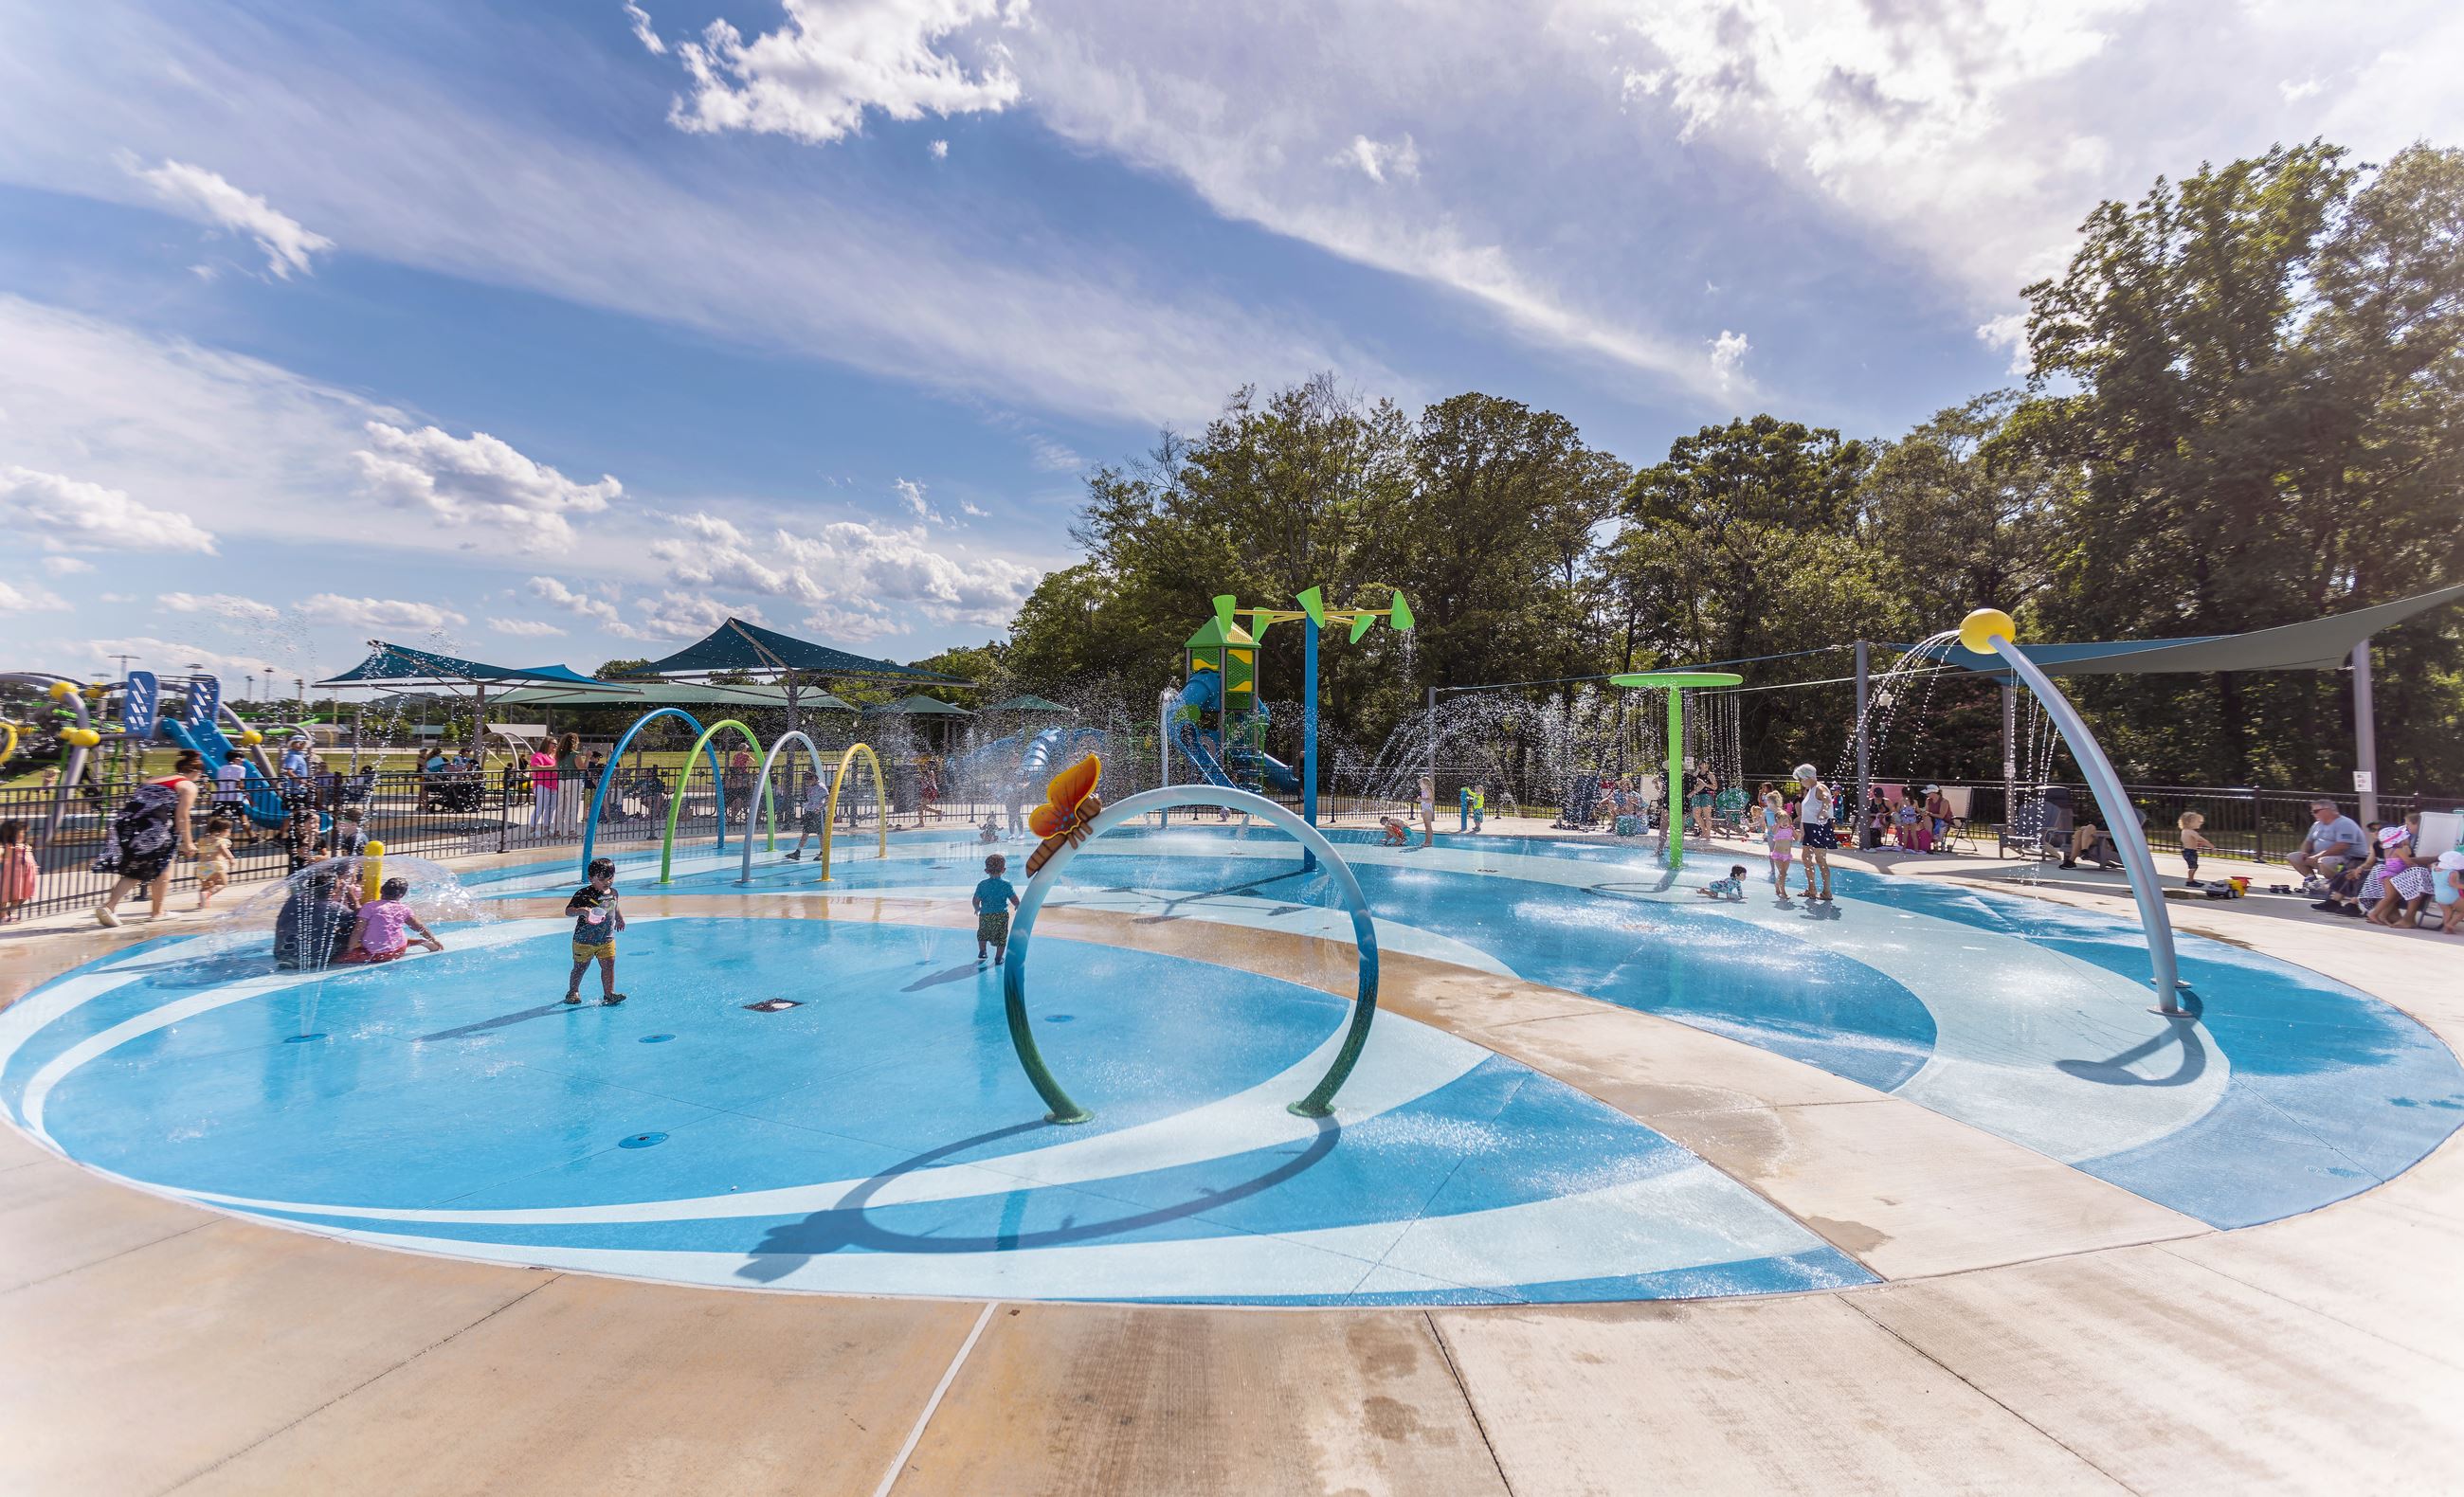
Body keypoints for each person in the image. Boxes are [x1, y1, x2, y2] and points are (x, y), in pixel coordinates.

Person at [94, 748, 204, 927]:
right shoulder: (188, 786)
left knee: (138, 869)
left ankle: (114, 907)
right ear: (196, 772)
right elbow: (182, 816)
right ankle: (150, 911)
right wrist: (189, 842)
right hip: (154, 829)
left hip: (127, 824)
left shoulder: (153, 780)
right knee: (160, 867)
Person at [561, 857, 626, 1002]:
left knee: (609, 966)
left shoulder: (613, 893)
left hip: (606, 939)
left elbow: (615, 906)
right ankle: (573, 992)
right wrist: (581, 910)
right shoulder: (583, 894)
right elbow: (568, 911)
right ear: (591, 878)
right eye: (602, 879)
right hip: (584, 940)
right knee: (580, 967)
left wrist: (620, 918)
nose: (607, 882)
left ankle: (609, 994)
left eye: (611, 878)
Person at [338, 876, 444, 965]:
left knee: (337, 959)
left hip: (376, 954)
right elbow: (419, 927)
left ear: (381, 890)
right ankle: (421, 941)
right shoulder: (404, 909)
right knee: (393, 933)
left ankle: (416, 942)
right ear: (401, 895)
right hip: (400, 950)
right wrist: (434, 940)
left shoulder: (370, 907)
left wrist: (349, 950)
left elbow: (358, 930)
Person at [272, 871, 357, 971]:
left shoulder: (294, 899)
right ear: (331, 891)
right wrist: (351, 895)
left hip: (281, 956)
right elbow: (361, 918)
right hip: (312, 959)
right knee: (354, 928)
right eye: (338, 887)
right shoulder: (334, 908)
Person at [2291, 799, 2366, 895]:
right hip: (2320, 856)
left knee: (2325, 861)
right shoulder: (2317, 825)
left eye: (2316, 811)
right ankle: (2313, 882)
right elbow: (2308, 841)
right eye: (2312, 811)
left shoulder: (2345, 824)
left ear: (2328, 810)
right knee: (2294, 856)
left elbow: (2342, 846)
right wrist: (2304, 853)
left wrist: (2318, 856)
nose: (2313, 814)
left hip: (2349, 859)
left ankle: (2337, 887)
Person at [2363, 825, 2433, 927]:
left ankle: (2383, 916)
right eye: (2404, 838)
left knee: (2394, 897)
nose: (2406, 840)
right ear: (2398, 840)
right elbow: (2408, 862)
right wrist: (2419, 866)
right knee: (2389, 897)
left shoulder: (2387, 851)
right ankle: (2374, 914)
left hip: (2388, 875)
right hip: (2393, 876)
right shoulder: (2399, 851)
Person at [1793, 765, 1837, 902]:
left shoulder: (1819, 788)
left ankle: (1827, 891)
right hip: (1810, 828)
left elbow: (1826, 799)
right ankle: (1812, 889)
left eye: (1801, 779)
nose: (1800, 782)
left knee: (1820, 859)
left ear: (1807, 777)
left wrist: (1824, 811)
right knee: (1806, 857)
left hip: (1820, 827)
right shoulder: (1811, 789)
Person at [974, 853, 1019, 967]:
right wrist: (1018, 906)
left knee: (983, 934)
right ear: (1003, 870)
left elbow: (975, 900)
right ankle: (998, 958)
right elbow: (1014, 899)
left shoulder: (982, 885)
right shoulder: (1006, 884)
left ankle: (983, 951)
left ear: (986, 870)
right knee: (1001, 937)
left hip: (985, 915)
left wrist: (977, 908)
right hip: (1001, 915)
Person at [192, 812, 237, 910]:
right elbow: (223, 849)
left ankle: (202, 902)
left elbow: (197, 850)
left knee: (205, 886)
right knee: (222, 883)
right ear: (224, 831)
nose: (229, 834)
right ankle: (208, 894)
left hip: (201, 867)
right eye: (229, 831)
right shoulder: (220, 840)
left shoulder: (203, 840)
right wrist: (231, 858)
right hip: (215, 866)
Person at [0, 819, 37, 923]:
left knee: (22, 895)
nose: (24, 834)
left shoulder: (24, 845)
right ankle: (2, 915)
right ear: (12, 834)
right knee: (5, 895)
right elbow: (2, 856)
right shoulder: (9, 846)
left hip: (24, 875)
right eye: (21, 832)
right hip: (11, 875)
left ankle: (9, 913)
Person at [785, 775, 830, 860]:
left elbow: (827, 799)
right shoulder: (810, 787)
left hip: (818, 813)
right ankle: (797, 852)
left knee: (820, 833)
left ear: (813, 779)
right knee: (805, 832)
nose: (806, 783)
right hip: (810, 812)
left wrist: (820, 808)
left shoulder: (821, 787)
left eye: (808, 781)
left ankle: (823, 852)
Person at [1762, 790, 1796, 896]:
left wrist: (1797, 833)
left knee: (1783, 873)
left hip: (1787, 854)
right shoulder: (1768, 811)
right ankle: (1783, 892)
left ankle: (1777, 884)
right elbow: (1771, 827)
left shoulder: (1781, 814)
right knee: (1782, 873)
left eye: (1768, 801)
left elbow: (1798, 838)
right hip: (1777, 848)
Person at [2177, 810, 2218, 888]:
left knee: (2193, 866)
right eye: (2198, 821)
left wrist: (2196, 844)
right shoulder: (2191, 832)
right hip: (2190, 852)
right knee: (2193, 867)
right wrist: (2212, 847)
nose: (2200, 823)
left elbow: (2187, 841)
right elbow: (2202, 840)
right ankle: (2190, 881)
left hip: (2187, 851)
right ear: (2189, 822)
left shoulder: (2184, 831)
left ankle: (2191, 880)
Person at [526, 740, 559, 828]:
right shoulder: (538, 755)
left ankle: (546, 829)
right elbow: (535, 767)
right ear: (547, 744)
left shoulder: (554, 757)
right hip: (542, 785)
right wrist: (552, 768)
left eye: (556, 744)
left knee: (551, 808)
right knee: (540, 808)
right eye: (554, 744)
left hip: (554, 786)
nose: (556, 745)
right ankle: (532, 829)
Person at [2433, 849, 2464, 935]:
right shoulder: (2452, 872)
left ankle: (2446, 928)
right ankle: (2450, 924)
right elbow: (2453, 884)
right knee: (2462, 911)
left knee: (2447, 912)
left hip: (2438, 896)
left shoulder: (2434, 869)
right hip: (2451, 895)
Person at [1417, 774, 1436, 849]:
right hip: (1425, 809)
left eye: (1421, 783)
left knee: (1428, 826)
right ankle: (1427, 842)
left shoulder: (1428, 790)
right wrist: (1420, 799)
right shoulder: (1423, 790)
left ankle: (1429, 842)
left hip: (1428, 809)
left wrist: (1422, 799)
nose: (1420, 784)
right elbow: (1424, 800)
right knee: (1426, 826)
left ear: (1425, 784)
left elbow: (1431, 800)